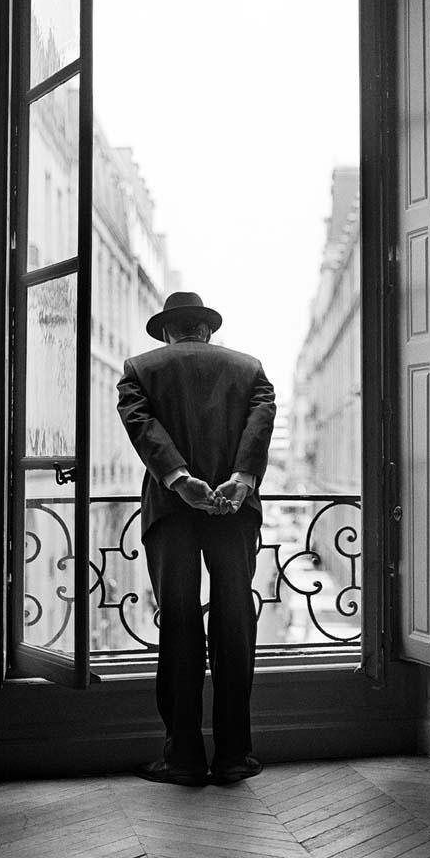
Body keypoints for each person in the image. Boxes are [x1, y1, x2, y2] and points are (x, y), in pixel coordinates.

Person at [116, 290, 276, 787]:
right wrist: (241, 479)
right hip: (233, 510)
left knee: (179, 625)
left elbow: (141, 426)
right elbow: (260, 424)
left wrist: (181, 479)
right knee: (235, 624)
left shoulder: (139, 369)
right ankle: (234, 756)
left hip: (171, 511)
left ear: (167, 330)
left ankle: (182, 756)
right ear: (206, 329)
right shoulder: (250, 368)